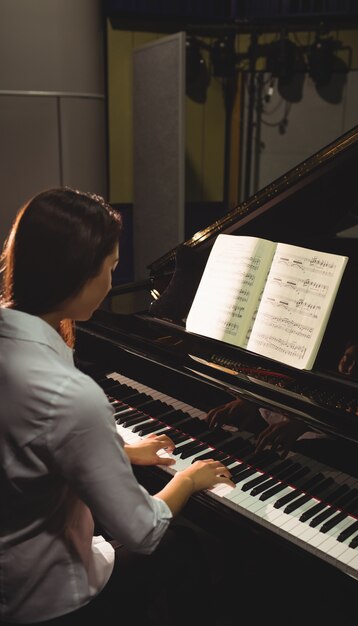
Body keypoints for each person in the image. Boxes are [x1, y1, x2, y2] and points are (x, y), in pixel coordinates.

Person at [0, 187, 235, 626]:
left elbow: (28, 444)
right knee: (185, 551)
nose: (111, 282)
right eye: (110, 269)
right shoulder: (70, 394)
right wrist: (187, 478)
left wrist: (120, 452)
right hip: (46, 596)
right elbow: (142, 532)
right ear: (78, 276)